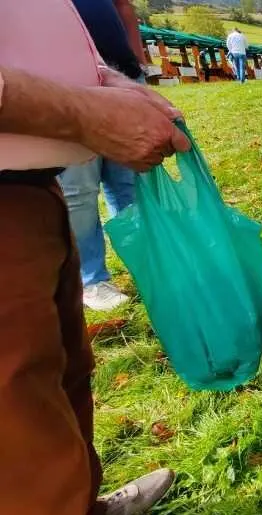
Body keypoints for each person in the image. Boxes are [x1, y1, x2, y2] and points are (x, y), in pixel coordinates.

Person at [0, 1, 191, 515]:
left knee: (60, 373)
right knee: (16, 420)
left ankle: (80, 504)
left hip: (33, 188)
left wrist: (106, 81)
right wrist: (83, 112)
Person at [57, 0, 150, 311]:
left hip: (120, 71)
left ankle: (147, 264)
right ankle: (93, 279)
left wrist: (135, 58)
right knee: (79, 188)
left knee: (128, 181)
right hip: (65, 79)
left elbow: (123, 5)